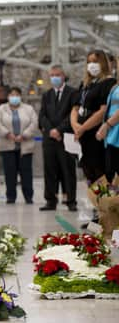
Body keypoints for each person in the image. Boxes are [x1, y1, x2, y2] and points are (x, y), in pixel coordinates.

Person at [71, 50, 116, 184]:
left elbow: (103, 110)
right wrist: (76, 126)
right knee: (87, 170)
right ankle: (95, 200)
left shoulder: (109, 83)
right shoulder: (85, 84)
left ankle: (103, 202)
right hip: (81, 132)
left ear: (103, 63)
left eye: (95, 62)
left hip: (96, 132)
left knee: (99, 170)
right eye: (89, 62)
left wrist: (83, 128)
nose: (91, 65)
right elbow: (75, 108)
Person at [38, 65, 78, 211]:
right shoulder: (46, 95)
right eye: (52, 75)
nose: (54, 77)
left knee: (68, 170)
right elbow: (42, 116)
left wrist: (59, 130)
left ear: (63, 75)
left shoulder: (73, 93)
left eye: (57, 74)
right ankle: (50, 200)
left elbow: (73, 115)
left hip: (65, 137)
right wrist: (51, 130)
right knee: (50, 170)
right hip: (49, 139)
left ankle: (71, 200)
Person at [0, 87, 38, 205]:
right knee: (10, 173)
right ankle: (11, 197)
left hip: (25, 145)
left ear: (20, 96)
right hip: (7, 145)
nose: (14, 97)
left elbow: (34, 123)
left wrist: (25, 135)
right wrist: (8, 134)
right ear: (8, 97)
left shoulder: (29, 109)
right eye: (12, 95)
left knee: (26, 173)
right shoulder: (1, 109)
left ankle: (28, 197)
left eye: (17, 94)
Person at [96, 78, 119, 181]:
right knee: (110, 174)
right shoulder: (115, 87)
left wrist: (107, 125)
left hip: (115, 136)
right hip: (111, 137)